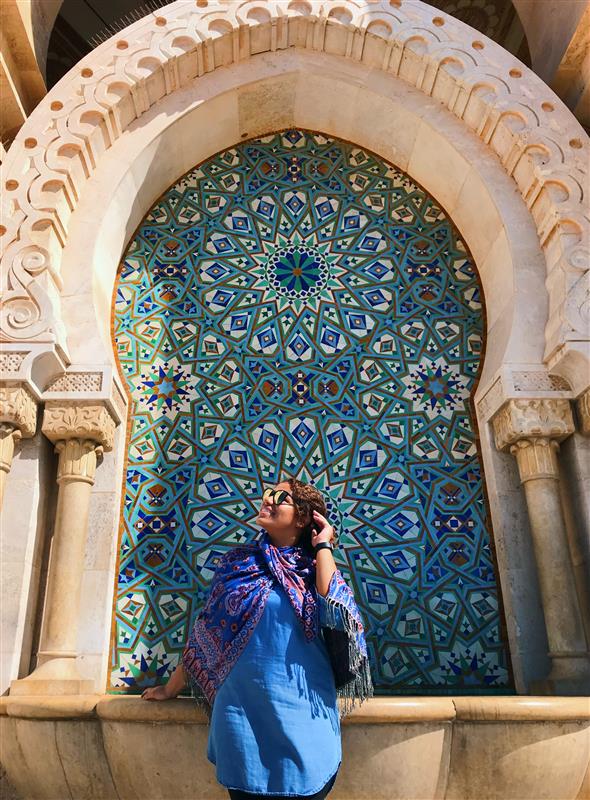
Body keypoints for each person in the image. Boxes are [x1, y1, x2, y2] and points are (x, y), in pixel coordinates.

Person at [142, 477, 372, 799]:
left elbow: (336, 608)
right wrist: (170, 688)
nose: (269, 500)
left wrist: (323, 545)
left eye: (281, 497)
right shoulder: (238, 564)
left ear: (304, 518)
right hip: (242, 727)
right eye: (268, 493)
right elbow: (207, 637)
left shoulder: (316, 569)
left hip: (303, 722)